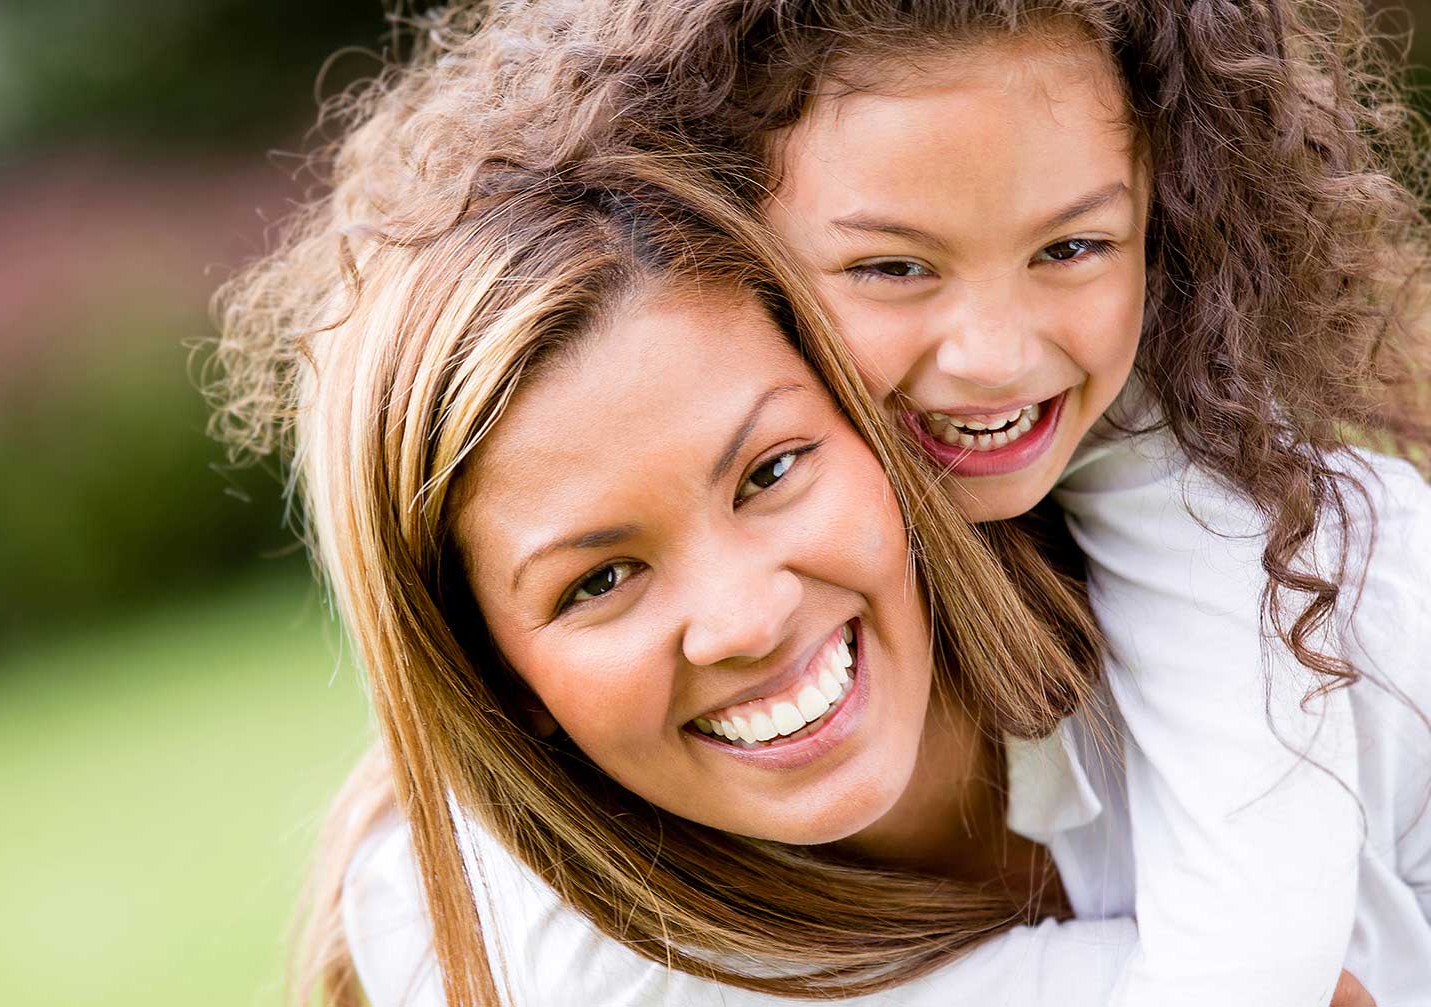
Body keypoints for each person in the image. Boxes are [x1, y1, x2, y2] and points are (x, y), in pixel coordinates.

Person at [213, 2, 1431, 1003]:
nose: (996, 358)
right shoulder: (476, 940)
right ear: (489, 670)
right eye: (599, 579)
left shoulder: (1346, 601)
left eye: (771, 470)